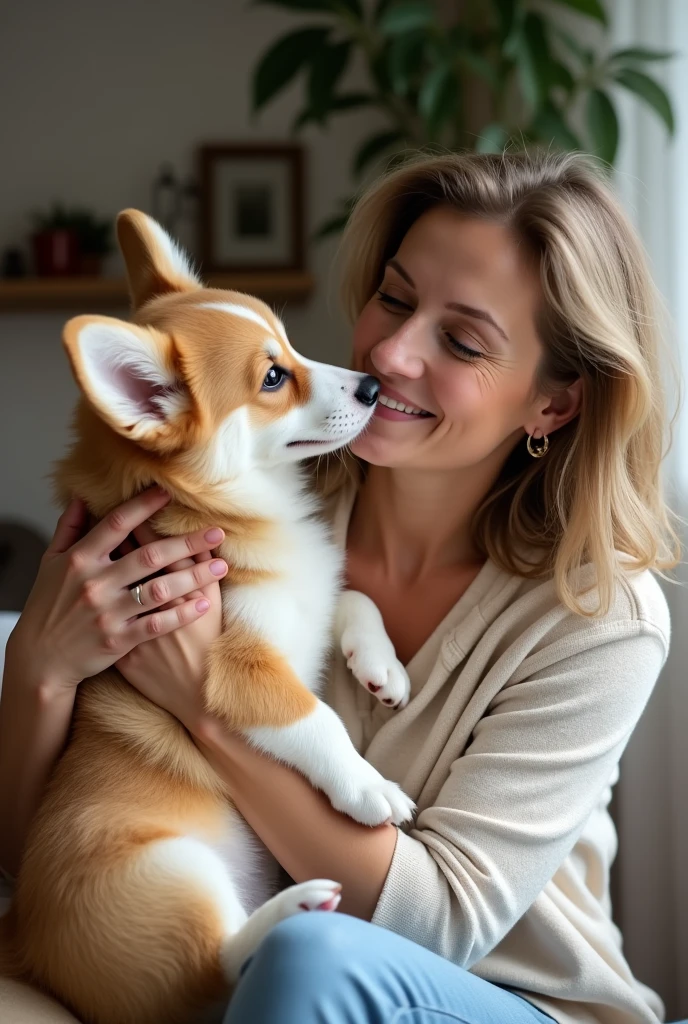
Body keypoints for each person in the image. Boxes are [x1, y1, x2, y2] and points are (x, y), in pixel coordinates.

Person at [0, 151, 682, 1024]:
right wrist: (41, 668)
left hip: (512, 997)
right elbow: (50, 867)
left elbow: (438, 928)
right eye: (395, 299)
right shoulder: (261, 495)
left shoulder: (600, 619)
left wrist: (207, 704)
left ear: (552, 406)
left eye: (463, 341)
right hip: (253, 969)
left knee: (304, 960)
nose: (391, 353)